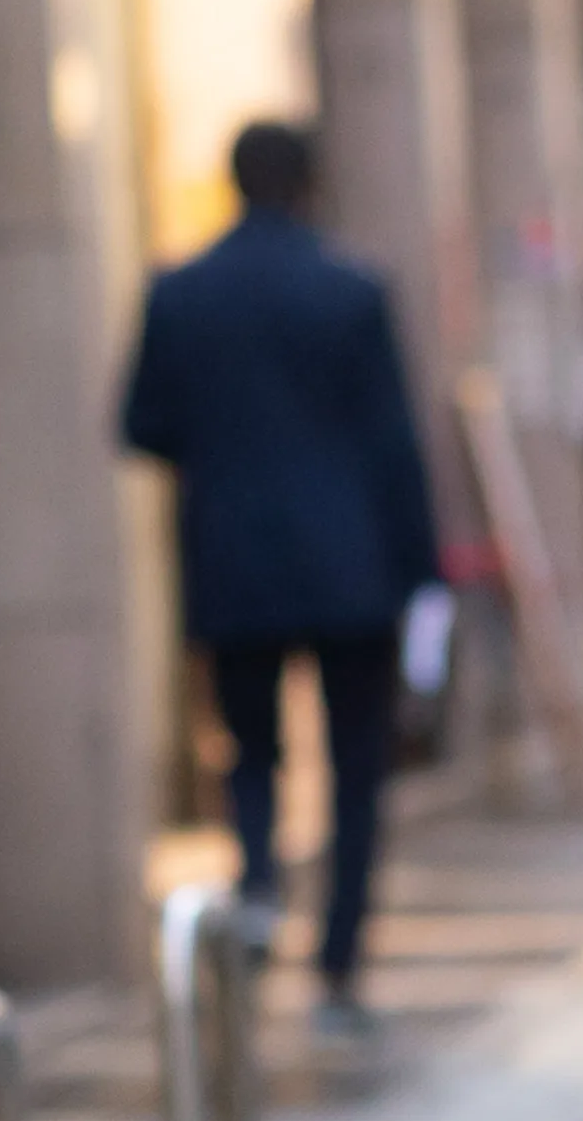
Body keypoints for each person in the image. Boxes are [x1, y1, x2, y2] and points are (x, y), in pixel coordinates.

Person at [119, 119, 438, 1047]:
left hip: (235, 561)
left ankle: (258, 888)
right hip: (350, 565)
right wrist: (421, 574)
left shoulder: (180, 294)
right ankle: (337, 967)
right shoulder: (351, 291)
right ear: (307, 183)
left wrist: (223, 453)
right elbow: (394, 446)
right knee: (355, 773)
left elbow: (142, 422)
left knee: (248, 753)